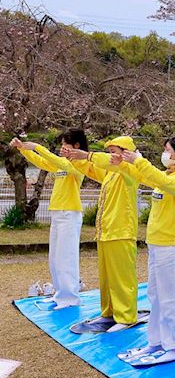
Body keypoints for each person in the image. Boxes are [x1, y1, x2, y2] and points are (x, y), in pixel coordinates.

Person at [91, 139, 175, 364]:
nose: (164, 153)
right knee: (156, 295)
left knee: (172, 297)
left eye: (168, 150)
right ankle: (157, 341)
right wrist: (123, 163)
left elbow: (160, 180)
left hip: (174, 243)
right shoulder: (167, 175)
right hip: (158, 242)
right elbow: (143, 176)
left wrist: (139, 161)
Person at [62, 136, 140, 331]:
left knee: (122, 278)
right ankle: (109, 313)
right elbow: (91, 168)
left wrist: (87, 155)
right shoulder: (110, 174)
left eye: (115, 151)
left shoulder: (130, 169)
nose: (111, 155)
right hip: (106, 231)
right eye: (110, 151)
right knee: (107, 279)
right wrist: (74, 157)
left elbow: (104, 161)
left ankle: (126, 316)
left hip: (121, 232)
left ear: (126, 153)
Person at [11, 130, 88, 309]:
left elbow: (59, 162)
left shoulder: (80, 163)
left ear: (77, 146)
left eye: (65, 144)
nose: (62, 148)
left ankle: (69, 298)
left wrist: (37, 147)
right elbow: (43, 162)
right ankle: (60, 293)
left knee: (66, 257)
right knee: (55, 257)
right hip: (57, 213)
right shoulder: (61, 164)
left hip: (70, 213)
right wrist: (23, 148)